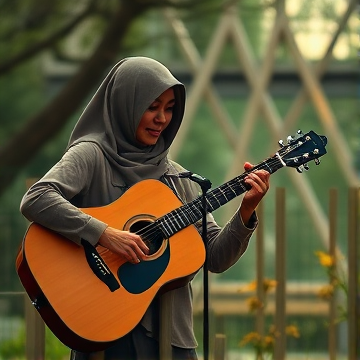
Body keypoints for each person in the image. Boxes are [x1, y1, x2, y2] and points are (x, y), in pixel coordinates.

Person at [20, 56, 270, 360]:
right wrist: (104, 234)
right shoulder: (91, 156)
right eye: (152, 107)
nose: (162, 118)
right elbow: (38, 197)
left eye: (169, 108)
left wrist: (246, 212)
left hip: (172, 340)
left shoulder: (180, 179)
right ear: (126, 104)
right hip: (103, 331)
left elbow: (216, 257)